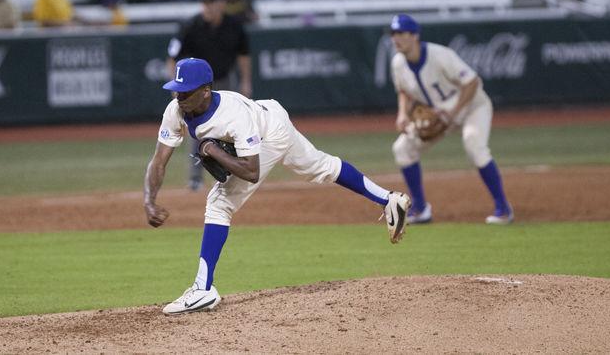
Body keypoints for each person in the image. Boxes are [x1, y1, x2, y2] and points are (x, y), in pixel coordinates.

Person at [143, 57, 412, 315]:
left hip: (270, 133)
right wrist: (149, 200)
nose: (179, 98)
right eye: (176, 91)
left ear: (205, 91)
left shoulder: (232, 116)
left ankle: (202, 288)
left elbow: (251, 171)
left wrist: (213, 150)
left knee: (219, 202)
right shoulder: (176, 110)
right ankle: (389, 200)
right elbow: (159, 161)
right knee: (322, 166)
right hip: (269, 112)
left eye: (185, 93)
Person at [388, 14, 513, 225]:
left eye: (401, 33)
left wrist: (454, 113)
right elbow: (404, 91)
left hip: (473, 106)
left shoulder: (440, 55)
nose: (396, 38)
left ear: (415, 35)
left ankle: (503, 208)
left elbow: (472, 82)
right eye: (393, 33)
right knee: (402, 149)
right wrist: (402, 114)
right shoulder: (398, 63)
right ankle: (420, 209)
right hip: (440, 114)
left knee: (474, 143)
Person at [166, 0, 252, 191]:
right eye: (204, 3)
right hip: (197, 88)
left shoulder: (234, 25)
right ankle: (195, 178)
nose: (208, 7)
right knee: (199, 130)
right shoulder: (190, 26)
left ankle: (234, 174)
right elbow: (172, 57)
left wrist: (246, 81)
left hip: (225, 82)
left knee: (232, 129)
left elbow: (244, 54)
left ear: (221, 4)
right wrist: (176, 89)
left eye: (211, 3)